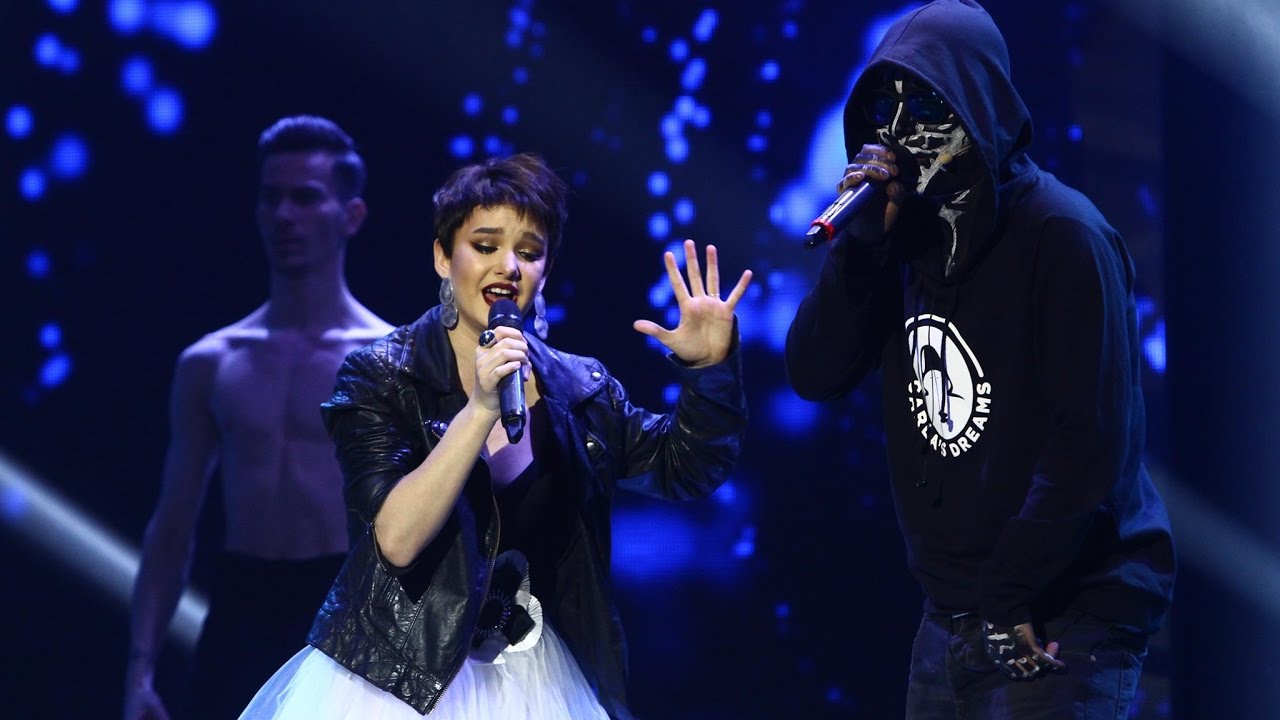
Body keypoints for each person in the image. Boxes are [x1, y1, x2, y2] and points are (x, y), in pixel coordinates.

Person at [237, 152, 753, 719]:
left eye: (529, 253)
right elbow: (397, 540)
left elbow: (686, 468)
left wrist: (710, 371)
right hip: (397, 676)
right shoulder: (383, 376)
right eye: (485, 246)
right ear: (443, 256)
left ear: (544, 272)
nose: (508, 266)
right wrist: (482, 407)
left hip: (534, 683)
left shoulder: (580, 389)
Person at [784, 1, 1175, 717]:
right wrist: (859, 251)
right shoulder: (901, 236)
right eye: (880, 109)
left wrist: (1009, 595)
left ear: (978, 106)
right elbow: (815, 373)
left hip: (1062, 611)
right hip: (954, 611)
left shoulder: (1063, 235)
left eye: (922, 106)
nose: (895, 134)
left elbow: (1088, 442)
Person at [124, 115, 395, 720]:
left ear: (350, 215)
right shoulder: (212, 363)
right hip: (238, 614)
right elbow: (172, 528)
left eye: (306, 197)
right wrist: (140, 668)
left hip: (347, 611)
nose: (284, 215)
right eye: (272, 198)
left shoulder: (390, 360)